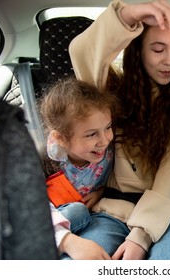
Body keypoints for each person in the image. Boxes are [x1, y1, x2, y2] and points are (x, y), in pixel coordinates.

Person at [68, 0, 170, 260]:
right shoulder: (111, 90)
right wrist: (127, 14)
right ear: (137, 48)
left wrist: (141, 236)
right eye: (158, 49)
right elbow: (81, 51)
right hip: (111, 211)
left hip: (168, 216)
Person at [39, 77, 119, 259]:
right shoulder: (43, 159)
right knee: (77, 211)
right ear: (60, 138)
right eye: (91, 134)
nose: (105, 140)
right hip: (52, 220)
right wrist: (66, 240)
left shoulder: (109, 151)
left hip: (93, 218)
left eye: (108, 127)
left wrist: (102, 192)